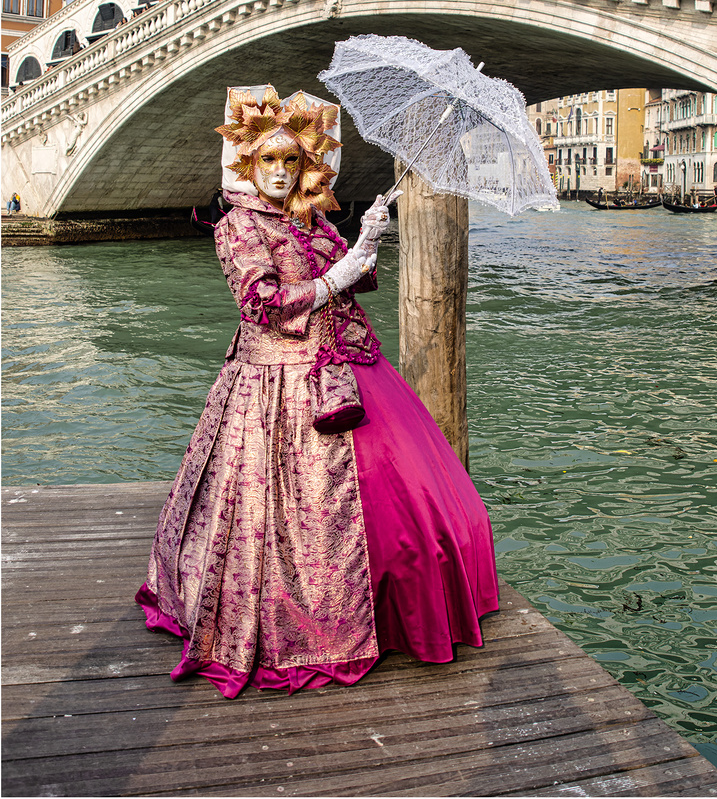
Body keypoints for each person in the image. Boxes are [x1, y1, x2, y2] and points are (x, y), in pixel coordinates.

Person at [136, 86, 499, 697]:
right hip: (274, 384)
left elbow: (355, 280)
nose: (280, 173)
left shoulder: (311, 219)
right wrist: (337, 276)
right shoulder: (239, 227)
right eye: (268, 162)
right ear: (249, 165)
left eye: (291, 162)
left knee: (412, 508)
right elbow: (264, 306)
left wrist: (368, 238)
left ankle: (390, 616)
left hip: (347, 369)